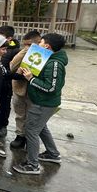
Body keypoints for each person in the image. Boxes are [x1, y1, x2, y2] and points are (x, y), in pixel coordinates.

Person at [13, 33, 67, 175]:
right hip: (40, 101)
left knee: (31, 131)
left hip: (44, 103)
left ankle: (32, 164)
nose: (38, 45)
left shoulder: (54, 64)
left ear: (47, 46)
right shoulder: (47, 58)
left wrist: (31, 79)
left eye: (41, 42)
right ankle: (52, 154)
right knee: (41, 128)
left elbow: (51, 88)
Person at [9, 30, 42, 149]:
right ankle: (20, 136)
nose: (26, 47)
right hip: (19, 88)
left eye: (29, 45)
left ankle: (31, 138)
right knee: (20, 114)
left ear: (39, 42)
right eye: (25, 45)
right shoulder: (22, 53)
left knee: (33, 117)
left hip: (35, 91)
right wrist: (25, 51)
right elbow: (12, 67)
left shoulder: (44, 55)